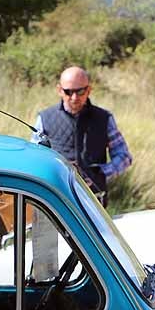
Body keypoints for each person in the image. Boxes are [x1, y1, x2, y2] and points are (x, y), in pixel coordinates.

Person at [32, 66, 132, 206]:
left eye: (80, 91)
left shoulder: (104, 118)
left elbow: (124, 156)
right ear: (60, 90)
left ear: (89, 90)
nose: (74, 98)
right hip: (55, 202)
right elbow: (35, 159)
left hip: (94, 202)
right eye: (68, 92)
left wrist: (100, 173)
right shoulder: (44, 118)